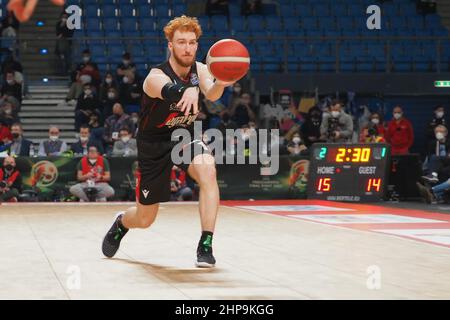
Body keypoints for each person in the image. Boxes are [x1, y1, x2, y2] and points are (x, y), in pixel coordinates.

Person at [101, 15, 236, 268]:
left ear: (197, 45)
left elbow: (212, 92)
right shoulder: (154, 76)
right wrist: (184, 90)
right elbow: (166, 89)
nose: (187, 47)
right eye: (181, 42)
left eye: (192, 42)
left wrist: (221, 83)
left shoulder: (202, 69)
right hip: (154, 144)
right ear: (170, 46)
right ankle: (121, 223)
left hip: (185, 136)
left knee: (208, 170)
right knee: (145, 218)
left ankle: (205, 244)